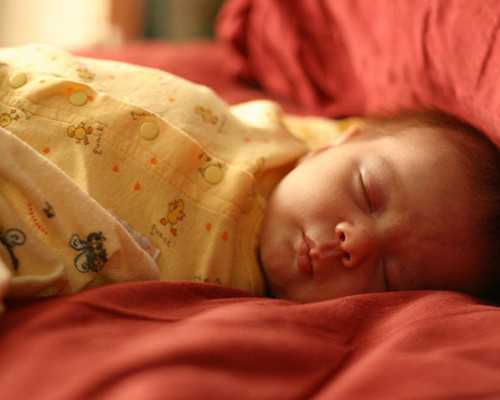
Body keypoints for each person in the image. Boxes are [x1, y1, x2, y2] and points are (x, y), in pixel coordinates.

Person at [0, 45, 498, 309]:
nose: (356, 243)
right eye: (368, 193)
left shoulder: (222, 300)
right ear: (341, 143)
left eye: (388, 275)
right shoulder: (290, 139)